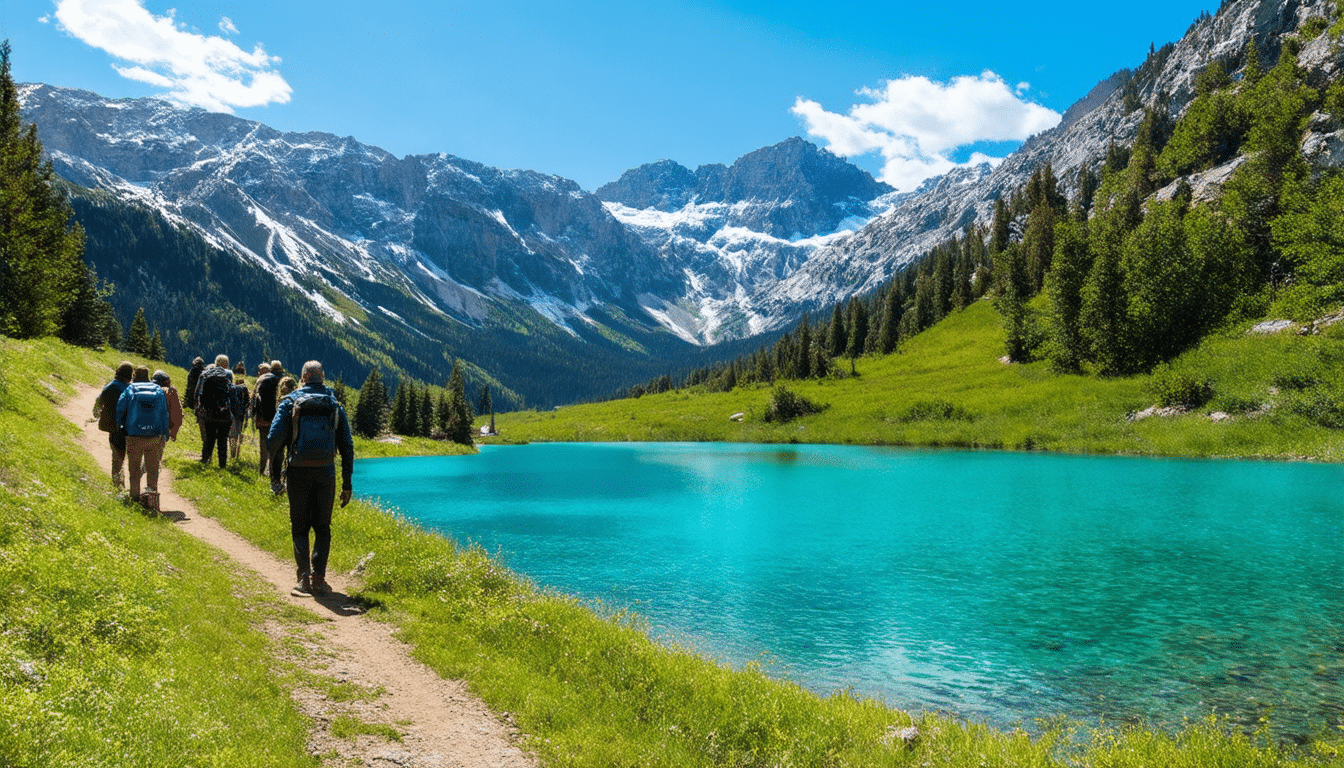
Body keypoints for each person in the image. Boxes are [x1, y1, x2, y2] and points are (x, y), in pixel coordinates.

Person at [267, 361, 354, 597]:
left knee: (299, 527)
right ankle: (319, 579)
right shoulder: (334, 404)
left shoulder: (290, 401)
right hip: (326, 471)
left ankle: (303, 579)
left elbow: (273, 438)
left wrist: (275, 471)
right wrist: (347, 483)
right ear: (322, 377)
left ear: (304, 377)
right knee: (323, 528)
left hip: (298, 470)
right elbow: (347, 445)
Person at [116, 365, 169, 508]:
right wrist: (165, 433)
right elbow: (164, 413)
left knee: (134, 469)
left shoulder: (130, 389)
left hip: (133, 435)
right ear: (148, 376)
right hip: (154, 436)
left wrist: (120, 427)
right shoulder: (157, 390)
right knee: (152, 469)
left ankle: (134, 499)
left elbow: (120, 409)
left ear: (134, 375)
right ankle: (151, 502)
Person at [92, 361, 134, 488]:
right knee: (126, 457)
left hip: (113, 428)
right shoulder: (129, 389)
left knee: (117, 456)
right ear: (130, 375)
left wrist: (97, 414)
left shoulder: (110, 385)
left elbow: (99, 401)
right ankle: (123, 485)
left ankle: (117, 483)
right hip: (128, 429)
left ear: (118, 372)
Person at [194, 354, 235, 468]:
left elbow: (197, 393)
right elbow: (231, 393)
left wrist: (200, 409)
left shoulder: (205, 374)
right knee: (222, 439)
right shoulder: (228, 374)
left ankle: (205, 460)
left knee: (210, 437)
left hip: (209, 412)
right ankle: (222, 465)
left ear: (215, 362)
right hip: (225, 412)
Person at [269, 375, 299, 494]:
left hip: (282, 432)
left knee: (278, 457)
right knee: (290, 457)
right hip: (293, 432)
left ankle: (277, 483)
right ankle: (288, 483)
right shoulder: (298, 398)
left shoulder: (284, 400)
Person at [253, 362, 279, 476]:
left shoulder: (260, 382)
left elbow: (255, 402)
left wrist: (256, 418)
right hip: (275, 419)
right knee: (274, 446)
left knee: (263, 446)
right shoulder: (277, 381)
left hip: (263, 420)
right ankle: (272, 470)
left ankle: (262, 470)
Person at [153, 370, 184, 444]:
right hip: (163, 428)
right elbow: (177, 413)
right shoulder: (171, 392)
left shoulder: (149, 389)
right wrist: (174, 431)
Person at [228, 372, 250, 460]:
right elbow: (248, 403)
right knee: (239, 434)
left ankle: (232, 454)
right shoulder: (245, 389)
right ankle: (237, 454)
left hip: (233, 413)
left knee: (232, 435)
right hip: (241, 414)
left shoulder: (231, 388)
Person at [185, 356, 206, 442]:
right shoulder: (204, 373)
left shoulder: (191, 372)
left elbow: (188, 386)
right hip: (200, 395)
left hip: (192, 393)